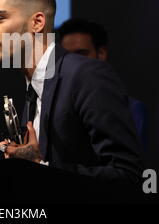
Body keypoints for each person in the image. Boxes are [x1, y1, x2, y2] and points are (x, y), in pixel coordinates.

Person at [0, 0, 144, 184]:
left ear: (37, 23)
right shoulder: (33, 91)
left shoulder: (86, 75)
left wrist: (40, 168)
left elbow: (128, 175)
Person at [57, 18, 148, 149]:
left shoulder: (132, 111)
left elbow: (128, 166)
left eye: (81, 54)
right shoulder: (51, 110)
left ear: (101, 54)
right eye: (67, 56)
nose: (72, 63)